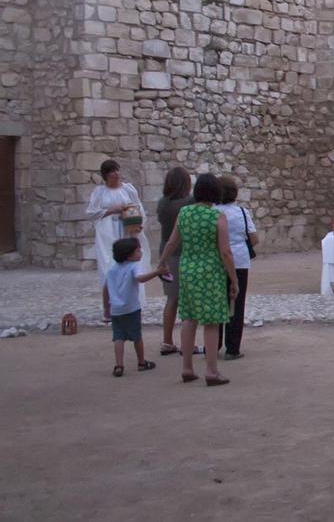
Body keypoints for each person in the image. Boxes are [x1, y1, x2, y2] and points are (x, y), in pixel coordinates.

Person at [157, 173, 238, 386]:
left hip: (188, 270)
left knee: (189, 318)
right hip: (210, 272)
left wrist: (162, 262)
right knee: (211, 321)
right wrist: (234, 278)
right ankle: (211, 370)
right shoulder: (217, 217)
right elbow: (225, 252)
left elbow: (172, 242)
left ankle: (187, 367)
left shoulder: (184, 213)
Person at [86, 160, 152, 323]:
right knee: (109, 268)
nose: (116, 174)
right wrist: (112, 211)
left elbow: (139, 209)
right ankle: (108, 307)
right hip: (107, 233)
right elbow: (91, 213)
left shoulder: (128, 189)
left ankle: (133, 306)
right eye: (112, 172)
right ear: (106, 175)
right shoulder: (99, 192)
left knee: (132, 267)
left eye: (117, 170)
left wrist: (137, 224)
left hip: (126, 231)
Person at [104, 238, 165, 377]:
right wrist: (157, 272)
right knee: (137, 336)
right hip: (131, 308)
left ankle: (119, 365)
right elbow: (140, 278)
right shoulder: (133, 266)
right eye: (138, 250)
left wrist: (106, 308)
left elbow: (105, 289)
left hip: (116, 310)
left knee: (118, 337)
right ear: (129, 255)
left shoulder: (112, 270)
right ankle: (141, 362)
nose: (140, 252)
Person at [216, 175, 257, 360]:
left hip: (217, 261)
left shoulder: (213, 212)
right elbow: (254, 238)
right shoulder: (242, 212)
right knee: (236, 304)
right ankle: (233, 347)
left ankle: (213, 344)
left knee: (217, 303)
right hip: (239, 261)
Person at [156, 166, 192, 356]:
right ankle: (188, 342)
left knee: (171, 299)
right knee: (186, 300)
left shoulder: (162, 204)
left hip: (166, 254)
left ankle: (167, 340)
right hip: (182, 253)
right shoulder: (187, 203)